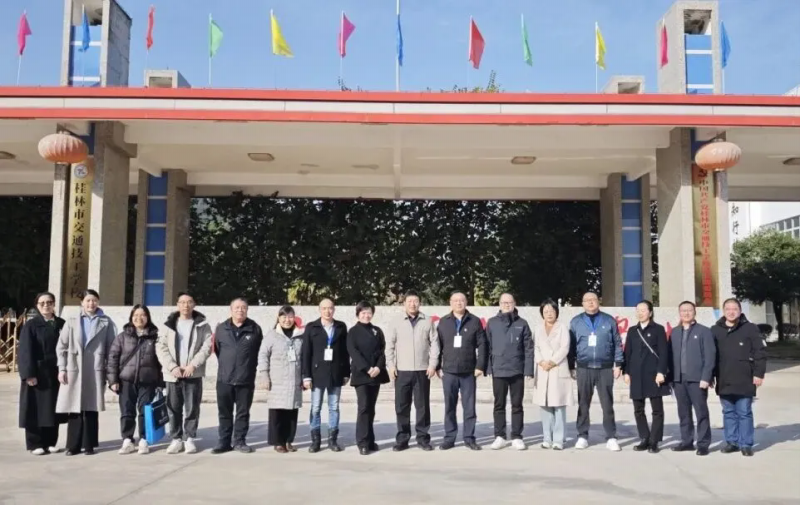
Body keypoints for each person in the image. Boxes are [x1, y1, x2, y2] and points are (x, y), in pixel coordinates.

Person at [56, 289, 116, 456]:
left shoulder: (106, 322)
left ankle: (89, 444)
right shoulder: (72, 321)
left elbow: (112, 348)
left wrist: (110, 372)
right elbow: (61, 346)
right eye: (88, 300)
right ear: (82, 302)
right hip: (74, 367)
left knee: (91, 407)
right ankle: (73, 445)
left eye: (94, 300)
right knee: (74, 406)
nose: (91, 304)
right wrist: (62, 368)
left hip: (95, 368)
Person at [157, 292, 213, 455]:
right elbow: (161, 347)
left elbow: (207, 347)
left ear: (194, 304)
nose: (185, 305)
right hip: (172, 374)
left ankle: (189, 438)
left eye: (189, 302)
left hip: (193, 374)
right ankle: (176, 439)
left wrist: (193, 365)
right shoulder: (168, 325)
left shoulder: (203, 325)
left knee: (192, 408)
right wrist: (172, 367)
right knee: (173, 408)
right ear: (177, 305)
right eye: (182, 302)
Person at [712, 298, 767, 457]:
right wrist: (709, 376)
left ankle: (746, 444)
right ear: (723, 311)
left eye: (734, 309)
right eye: (728, 309)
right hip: (724, 377)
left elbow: (760, 352)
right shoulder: (715, 330)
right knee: (728, 412)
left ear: (740, 311)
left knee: (744, 412)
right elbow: (710, 355)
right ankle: (732, 442)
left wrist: (758, 373)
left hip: (745, 377)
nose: (731, 312)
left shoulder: (750, 328)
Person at [569, 291, 623, 451]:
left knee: (607, 404)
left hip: (604, 368)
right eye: (587, 300)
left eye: (593, 299)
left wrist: (618, 364)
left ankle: (611, 436)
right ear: (582, 304)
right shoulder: (576, 322)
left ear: (598, 301)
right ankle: (582, 435)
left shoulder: (608, 320)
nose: (590, 302)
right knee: (583, 403)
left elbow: (617, 343)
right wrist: (571, 366)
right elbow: (571, 346)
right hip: (584, 368)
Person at [385, 290, 439, 452]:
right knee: (402, 406)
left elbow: (435, 344)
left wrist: (432, 364)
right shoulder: (396, 322)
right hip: (402, 371)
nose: (412, 304)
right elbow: (390, 345)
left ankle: (423, 438)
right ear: (404, 303)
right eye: (409, 301)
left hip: (422, 370)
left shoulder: (427, 321)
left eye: (415, 301)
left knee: (422, 406)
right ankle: (402, 439)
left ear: (419, 303)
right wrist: (391, 365)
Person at [107, 305, 163, 455]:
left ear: (148, 317)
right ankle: (127, 440)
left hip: (148, 381)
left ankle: (144, 439)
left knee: (145, 411)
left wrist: (160, 382)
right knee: (127, 411)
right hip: (126, 380)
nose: (139, 318)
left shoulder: (155, 337)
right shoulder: (122, 337)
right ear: (131, 317)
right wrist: (113, 380)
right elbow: (112, 358)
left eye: (143, 315)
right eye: (136, 315)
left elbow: (160, 361)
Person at [437, 291, 488, 451]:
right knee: (449, 407)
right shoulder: (443, 322)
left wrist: (480, 366)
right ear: (450, 303)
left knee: (469, 408)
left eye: (462, 300)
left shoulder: (474, 321)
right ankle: (449, 438)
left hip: (468, 372)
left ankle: (469, 438)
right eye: (455, 300)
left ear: (466, 302)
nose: (459, 303)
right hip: (449, 372)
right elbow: (437, 346)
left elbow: (482, 345)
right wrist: (437, 366)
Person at [211, 298, 263, 454]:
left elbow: (258, 351)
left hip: (245, 379)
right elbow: (218, 350)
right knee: (224, 413)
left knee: (243, 413)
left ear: (247, 310)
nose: (240, 310)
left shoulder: (255, 329)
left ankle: (240, 441)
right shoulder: (221, 328)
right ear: (231, 309)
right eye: (237, 307)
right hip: (224, 379)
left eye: (243, 307)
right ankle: (224, 442)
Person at [18, 292, 65, 455]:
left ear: (54, 304)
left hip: (55, 372)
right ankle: (35, 443)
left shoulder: (61, 324)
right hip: (37, 372)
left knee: (52, 408)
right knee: (35, 408)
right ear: (37, 305)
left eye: (49, 302)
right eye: (42, 303)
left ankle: (50, 441)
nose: (46, 305)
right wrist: (28, 374)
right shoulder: (31, 325)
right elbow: (25, 351)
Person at [486, 293, 534, 451]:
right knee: (499, 405)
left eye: (510, 302)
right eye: (504, 302)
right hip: (498, 370)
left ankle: (517, 436)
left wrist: (528, 369)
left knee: (517, 405)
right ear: (499, 304)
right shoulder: (492, 323)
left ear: (514, 303)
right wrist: (488, 367)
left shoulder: (522, 323)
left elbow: (529, 348)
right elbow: (487, 347)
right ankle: (499, 436)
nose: (507, 305)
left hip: (517, 370)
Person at [302, 298, 350, 453]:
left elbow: (345, 352)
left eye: (330, 308)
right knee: (315, 407)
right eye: (324, 308)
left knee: (334, 407)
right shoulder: (312, 327)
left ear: (334, 309)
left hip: (336, 373)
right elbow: (306, 353)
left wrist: (346, 372)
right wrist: (306, 376)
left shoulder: (341, 327)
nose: (327, 311)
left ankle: (332, 440)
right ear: (319, 310)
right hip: (317, 374)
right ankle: (315, 440)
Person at [623, 300, 670, 454]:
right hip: (636, 375)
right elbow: (627, 353)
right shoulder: (632, 330)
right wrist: (626, 372)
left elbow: (663, 352)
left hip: (654, 375)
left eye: (643, 310)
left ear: (650, 312)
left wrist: (661, 372)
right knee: (638, 409)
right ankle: (644, 438)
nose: (640, 313)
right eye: (638, 310)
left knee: (657, 410)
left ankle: (654, 441)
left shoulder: (658, 329)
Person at [669, 300, 715, 456]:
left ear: (695, 312)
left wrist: (706, 377)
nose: (686, 313)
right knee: (683, 412)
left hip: (697, 379)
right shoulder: (675, 332)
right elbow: (670, 356)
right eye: (683, 310)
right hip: (678, 379)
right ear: (679, 313)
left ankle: (703, 444)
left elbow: (710, 356)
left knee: (701, 412)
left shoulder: (704, 331)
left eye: (689, 310)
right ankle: (687, 441)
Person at [258, 305, 304, 454]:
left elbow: (304, 358)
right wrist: (264, 375)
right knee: (277, 413)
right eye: (284, 316)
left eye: (290, 317)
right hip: (277, 381)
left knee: (292, 412)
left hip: (294, 380)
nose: (287, 320)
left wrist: (304, 378)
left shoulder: (300, 336)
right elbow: (263, 355)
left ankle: (289, 440)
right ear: (278, 318)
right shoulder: (272, 335)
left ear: (294, 318)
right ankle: (278, 442)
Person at [348, 301, 390, 455]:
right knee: (364, 407)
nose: (366, 315)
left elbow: (382, 351)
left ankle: (370, 440)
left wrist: (378, 367)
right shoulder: (353, 332)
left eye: (369, 312)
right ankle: (362, 442)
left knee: (371, 408)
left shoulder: (377, 330)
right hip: (362, 374)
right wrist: (367, 368)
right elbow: (354, 352)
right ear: (358, 314)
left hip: (376, 374)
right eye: (363, 312)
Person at [532, 299, 574, 450]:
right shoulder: (538, 328)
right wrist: (541, 361)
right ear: (542, 313)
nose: (549, 314)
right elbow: (535, 347)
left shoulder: (562, 328)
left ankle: (558, 439)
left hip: (557, 368)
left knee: (558, 406)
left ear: (557, 312)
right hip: (543, 369)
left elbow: (565, 347)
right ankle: (546, 438)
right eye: (546, 311)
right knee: (544, 406)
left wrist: (552, 361)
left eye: (552, 311)